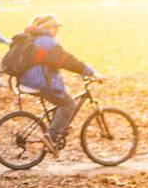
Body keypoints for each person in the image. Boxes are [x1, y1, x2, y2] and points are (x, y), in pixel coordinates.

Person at [16, 14, 100, 151]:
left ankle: (58, 129)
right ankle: (51, 136)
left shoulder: (37, 39)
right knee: (68, 104)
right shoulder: (47, 41)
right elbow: (67, 60)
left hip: (31, 80)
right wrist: (90, 72)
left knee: (61, 99)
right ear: (47, 28)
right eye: (54, 27)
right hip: (38, 81)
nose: (57, 30)